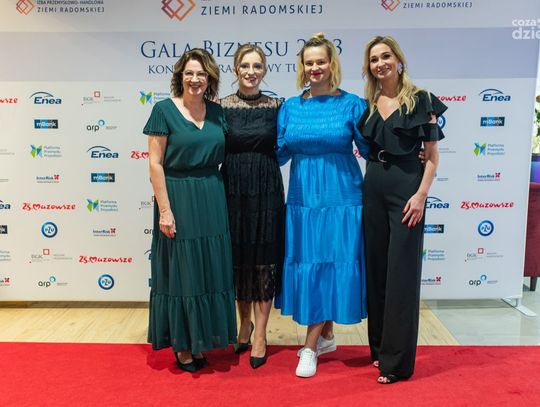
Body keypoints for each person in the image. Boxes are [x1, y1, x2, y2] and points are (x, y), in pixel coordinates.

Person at [274, 33, 369, 378]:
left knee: (334, 262)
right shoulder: (290, 107)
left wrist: (414, 154)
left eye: (321, 61)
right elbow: (277, 153)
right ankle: (326, 334)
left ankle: (310, 347)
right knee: (315, 264)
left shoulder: (353, 104)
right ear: (302, 67)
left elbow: (372, 149)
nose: (315, 68)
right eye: (309, 62)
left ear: (332, 64)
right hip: (303, 200)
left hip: (343, 197)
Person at [357, 35, 447, 384]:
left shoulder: (421, 100)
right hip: (374, 184)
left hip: (407, 189)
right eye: (374, 59)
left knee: (401, 274)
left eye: (385, 56)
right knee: (377, 270)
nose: (380, 63)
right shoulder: (369, 103)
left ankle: (397, 363)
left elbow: (432, 157)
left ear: (398, 60)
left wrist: (421, 195)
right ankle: (380, 349)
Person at [144, 48, 237, 373]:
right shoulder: (163, 110)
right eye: (189, 73)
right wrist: (165, 211)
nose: (195, 79)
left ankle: (204, 337)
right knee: (182, 270)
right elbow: (155, 164)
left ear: (210, 79)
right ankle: (183, 345)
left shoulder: (218, 112)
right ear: (180, 77)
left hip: (212, 195)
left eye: (201, 74)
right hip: (178, 196)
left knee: (209, 266)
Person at [219, 44, 285, 369]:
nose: (251, 71)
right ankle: (243, 323)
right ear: (235, 69)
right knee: (239, 258)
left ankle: (261, 333)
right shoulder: (220, 107)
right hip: (232, 188)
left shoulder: (278, 106)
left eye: (257, 66)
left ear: (265, 70)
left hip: (267, 188)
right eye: (245, 65)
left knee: (264, 259)